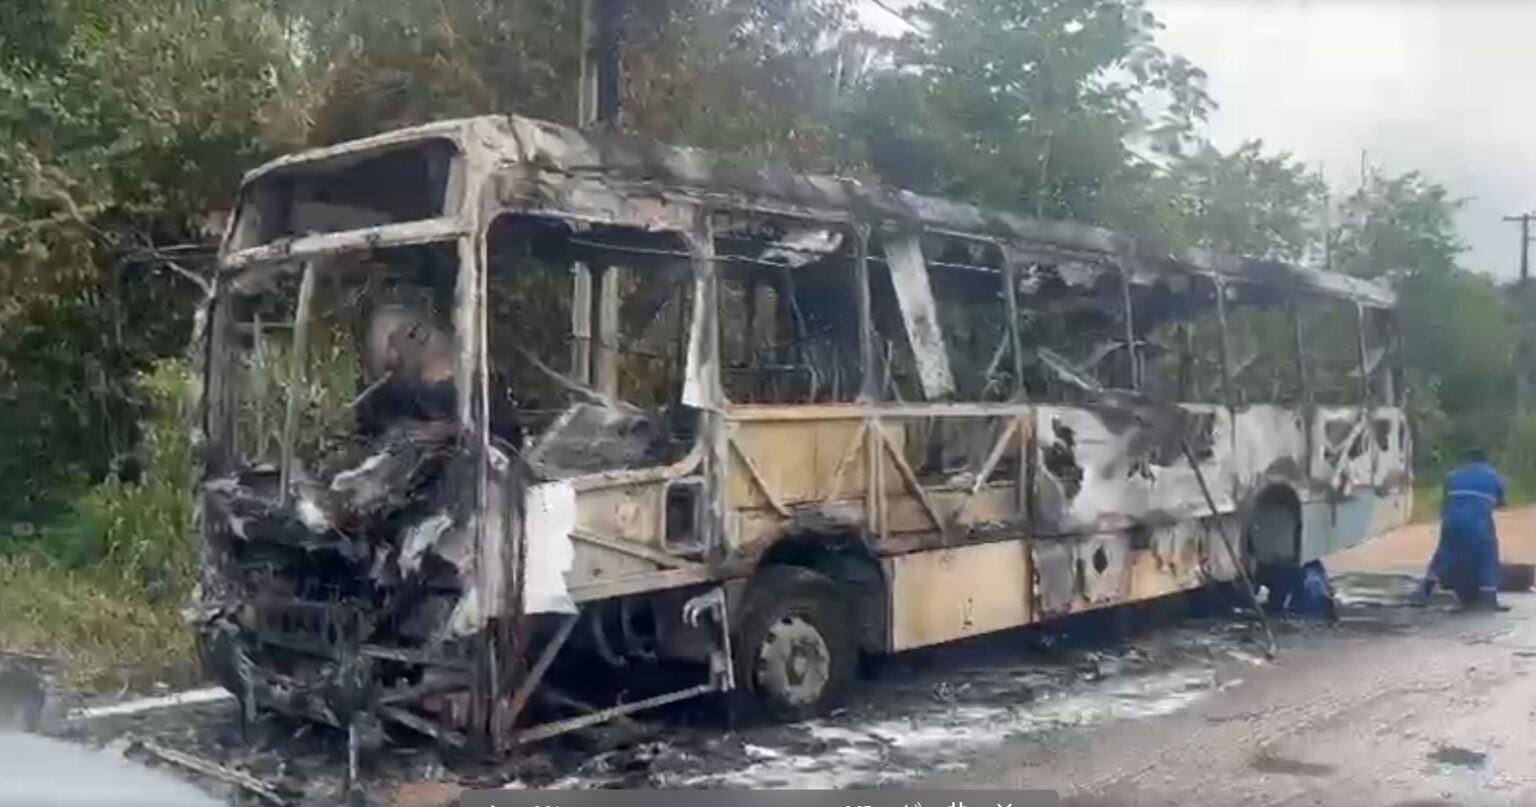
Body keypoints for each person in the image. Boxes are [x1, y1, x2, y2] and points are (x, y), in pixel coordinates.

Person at [1412, 446, 1508, 610]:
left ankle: (1426, 590)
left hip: (1452, 521)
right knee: (1488, 555)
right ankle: (1489, 598)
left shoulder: (1453, 475)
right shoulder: (1493, 476)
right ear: (1485, 460)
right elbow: (1501, 502)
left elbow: (1445, 503)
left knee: (1444, 553)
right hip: (1477, 524)